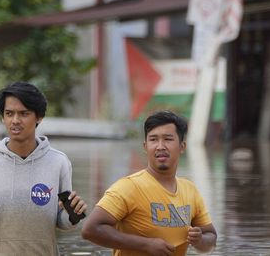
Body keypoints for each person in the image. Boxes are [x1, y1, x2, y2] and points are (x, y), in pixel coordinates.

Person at [0, 81, 87, 256]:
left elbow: (61, 221)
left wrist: (74, 215)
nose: (15, 120)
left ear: (38, 117)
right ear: (3, 117)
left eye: (24, 114)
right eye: (9, 114)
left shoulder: (58, 162)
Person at [82, 110, 217, 256]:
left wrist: (200, 240)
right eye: (153, 139)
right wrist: (146, 245)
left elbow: (211, 237)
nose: (160, 146)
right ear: (145, 146)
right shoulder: (128, 187)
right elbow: (90, 229)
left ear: (182, 146)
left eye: (168, 139)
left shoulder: (190, 190)